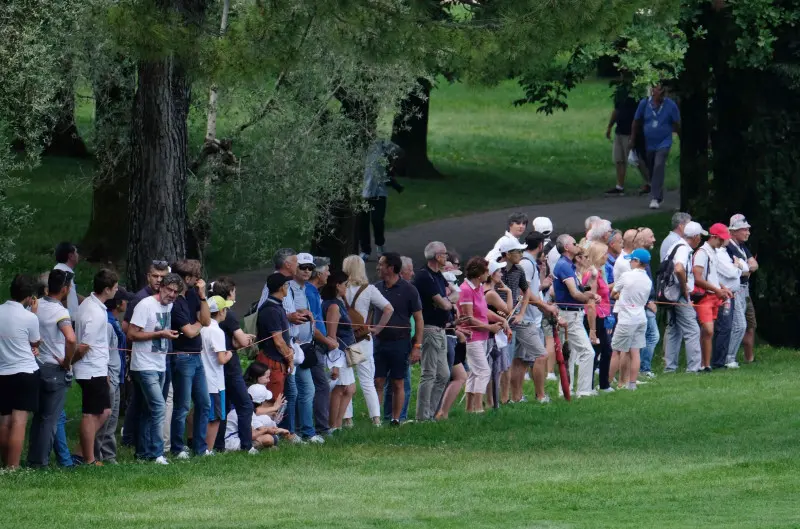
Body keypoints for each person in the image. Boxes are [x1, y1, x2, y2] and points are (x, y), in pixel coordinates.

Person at [127, 273, 182, 464]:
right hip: (143, 364)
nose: (172, 295)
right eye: (169, 290)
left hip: (160, 362)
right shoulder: (145, 305)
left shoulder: (170, 305)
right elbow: (132, 334)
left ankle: (142, 453)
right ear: (160, 287)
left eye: (176, 292)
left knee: (146, 410)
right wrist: (160, 333)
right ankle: (157, 453)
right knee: (159, 407)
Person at [26, 270, 76, 468]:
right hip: (54, 369)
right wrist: (67, 361)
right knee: (50, 419)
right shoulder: (60, 312)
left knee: (39, 417)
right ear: (65, 289)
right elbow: (71, 339)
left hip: (36, 365)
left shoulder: (36, 306)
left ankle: (33, 458)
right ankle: (40, 462)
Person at [121, 259, 169, 448]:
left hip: (161, 357)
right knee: (150, 404)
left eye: (162, 277)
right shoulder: (141, 299)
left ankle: (138, 443)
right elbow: (127, 328)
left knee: (145, 403)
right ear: (148, 276)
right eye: (155, 276)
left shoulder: (167, 298)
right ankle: (140, 443)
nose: (158, 280)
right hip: (142, 359)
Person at [341, 255, 394, 427]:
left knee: (346, 380)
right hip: (362, 339)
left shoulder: (340, 289)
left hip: (343, 339)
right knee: (367, 381)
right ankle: (376, 419)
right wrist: (377, 328)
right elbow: (388, 308)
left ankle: (347, 419)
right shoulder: (368, 289)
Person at [72, 269, 119, 466]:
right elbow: (84, 346)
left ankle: (81, 451)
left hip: (97, 368)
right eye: (115, 287)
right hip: (90, 369)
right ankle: (88, 458)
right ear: (107, 289)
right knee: (92, 414)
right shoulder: (94, 313)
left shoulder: (92, 305)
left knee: (104, 412)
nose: (117, 290)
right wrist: (70, 361)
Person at [287, 253, 334, 444]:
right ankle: (301, 431)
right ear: (294, 268)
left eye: (310, 268)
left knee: (305, 390)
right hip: (294, 346)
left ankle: (302, 430)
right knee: (304, 390)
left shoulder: (304, 288)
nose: (307, 271)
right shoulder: (288, 287)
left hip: (306, 347)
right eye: (303, 267)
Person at [374, 252, 423, 425]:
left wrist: (417, 345)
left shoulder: (409, 289)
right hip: (379, 342)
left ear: (391, 268)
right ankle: (377, 419)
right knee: (378, 380)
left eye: (381, 264)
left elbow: (418, 319)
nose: (378, 267)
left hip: (400, 342)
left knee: (398, 382)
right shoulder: (376, 288)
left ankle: (396, 418)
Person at [169, 259, 212, 458]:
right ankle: (177, 448)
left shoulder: (194, 295)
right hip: (182, 356)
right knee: (183, 405)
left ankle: (200, 447)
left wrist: (203, 297)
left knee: (203, 402)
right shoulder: (175, 302)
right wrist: (198, 324)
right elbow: (189, 332)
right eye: (196, 278)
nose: (199, 280)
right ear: (187, 278)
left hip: (196, 356)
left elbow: (206, 320)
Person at [551, 235, 602, 397]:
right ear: (566, 247)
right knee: (588, 352)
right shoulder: (564, 266)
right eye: (574, 244)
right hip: (569, 315)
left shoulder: (568, 265)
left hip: (571, 314)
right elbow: (574, 294)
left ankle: (565, 390)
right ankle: (584, 390)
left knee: (571, 355)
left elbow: (578, 290)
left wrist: (589, 290)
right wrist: (591, 297)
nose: (576, 245)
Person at [210, 278, 256, 454]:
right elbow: (242, 340)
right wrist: (247, 338)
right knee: (245, 405)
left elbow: (230, 342)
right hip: (230, 367)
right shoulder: (228, 314)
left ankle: (219, 445)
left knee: (223, 406)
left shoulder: (211, 315)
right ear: (228, 293)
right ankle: (247, 445)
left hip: (218, 367)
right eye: (234, 291)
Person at [0, 275, 42, 469]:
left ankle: (4, 461)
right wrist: (33, 312)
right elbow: (35, 341)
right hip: (25, 372)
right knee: (19, 421)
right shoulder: (29, 317)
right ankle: (13, 466)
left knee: (4, 420)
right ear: (28, 297)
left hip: (3, 372)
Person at [458, 257, 507, 413]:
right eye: (486, 271)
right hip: (472, 337)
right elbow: (469, 317)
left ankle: (469, 408)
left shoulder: (478, 288)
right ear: (479, 274)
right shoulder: (466, 289)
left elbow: (484, 311)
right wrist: (489, 327)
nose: (488, 274)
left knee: (475, 372)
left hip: (482, 336)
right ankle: (478, 407)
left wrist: (500, 319)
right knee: (484, 371)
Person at [513, 233, 558, 403]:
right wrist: (545, 306)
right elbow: (525, 291)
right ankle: (540, 395)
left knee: (521, 360)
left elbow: (530, 288)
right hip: (526, 318)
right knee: (541, 356)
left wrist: (542, 285)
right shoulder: (527, 263)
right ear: (540, 245)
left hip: (529, 317)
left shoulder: (529, 263)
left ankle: (517, 397)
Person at [94, 287, 135, 464]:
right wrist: (105, 373)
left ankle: (109, 454)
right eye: (125, 300)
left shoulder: (114, 322)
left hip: (116, 375)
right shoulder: (108, 323)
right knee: (104, 417)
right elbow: (103, 351)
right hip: (109, 374)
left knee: (112, 419)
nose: (127, 303)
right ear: (119, 303)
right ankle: (96, 454)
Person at [413, 241, 453, 421]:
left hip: (441, 329)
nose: (447, 257)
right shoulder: (424, 276)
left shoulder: (438, 275)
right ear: (437, 256)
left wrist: (447, 300)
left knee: (443, 374)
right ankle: (422, 416)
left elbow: (454, 293)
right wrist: (447, 301)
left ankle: (430, 412)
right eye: (445, 254)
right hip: (429, 329)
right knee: (429, 373)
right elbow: (444, 303)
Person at [630, 83, 681, 209]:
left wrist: (681, 137)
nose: (662, 92)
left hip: (664, 141)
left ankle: (654, 197)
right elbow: (636, 121)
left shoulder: (670, 105)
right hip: (649, 143)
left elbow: (677, 124)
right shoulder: (644, 104)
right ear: (653, 90)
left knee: (659, 164)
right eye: (659, 89)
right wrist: (632, 138)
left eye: (664, 89)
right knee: (652, 168)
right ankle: (659, 193)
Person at [663, 221, 705, 373]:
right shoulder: (683, 249)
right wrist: (684, 287)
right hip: (678, 294)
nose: (700, 239)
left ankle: (670, 367)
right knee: (693, 330)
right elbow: (679, 268)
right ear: (694, 237)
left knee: (674, 330)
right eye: (699, 236)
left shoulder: (675, 245)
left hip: (670, 294)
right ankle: (693, 368)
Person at [609, 249, 653, 390]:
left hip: (626, 319)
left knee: (616, 351)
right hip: (641, 318)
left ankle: (607, 383)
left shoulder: (626, 275)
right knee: (635, 352)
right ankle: (631, 384)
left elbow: (613, 293)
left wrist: (620, 297)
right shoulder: (648, 280)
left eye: (632, 260)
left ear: (637, 262)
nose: (630, 262)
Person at [692, 224, 733, 371]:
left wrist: (723, 287)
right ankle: (702, 363)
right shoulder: (702, 252)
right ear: (714, 237)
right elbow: (697, 278)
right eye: (722, 239)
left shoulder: (714, 252)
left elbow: (712, 276)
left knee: (708, 332)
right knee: (708, 330)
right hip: (704, 297)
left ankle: (706, 364)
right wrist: (716, 289)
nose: (724, 242)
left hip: (714, 295)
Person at [255, 273, 294, 422]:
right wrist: (290, 359)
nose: (287, 288)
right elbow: (278, 341)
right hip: (272, 362)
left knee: (281, 398)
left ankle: (278, 430)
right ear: (281, 288)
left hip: (278, 361)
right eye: (286, 285)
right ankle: (268, 432)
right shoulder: (271, 310)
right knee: (271, 399)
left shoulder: (278, 306)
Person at [321, 271, 356, 430]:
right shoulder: (333, 306)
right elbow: (332, 336)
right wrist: (335, 363)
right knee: (339, 388)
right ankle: (333, 425)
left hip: (345, 352)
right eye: (345, 285)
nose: (346, 288)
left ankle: (338, 424)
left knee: (349, 388)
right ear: (337, 285)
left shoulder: (338, 302)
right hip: (339, 353)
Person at [359, 139, 404, 261]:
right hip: (362, 193)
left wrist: (391, 163)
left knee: (377, 220)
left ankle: (380, 246)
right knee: (363, 223)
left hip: (379, 192)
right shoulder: (357, 145)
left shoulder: (380, 144)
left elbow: (398, 151)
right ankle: (365, 250)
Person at [200, 295, 234, 453]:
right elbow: (221, 359)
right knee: (215, 417)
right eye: (225, 308)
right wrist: (229, 354)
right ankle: (208, 449)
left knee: (204, 413)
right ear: (221, 311)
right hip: (215, 381)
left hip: (202, 378)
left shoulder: (202, 328)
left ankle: (200, 445)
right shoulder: (216, 331)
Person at [384, 256, 414, 421]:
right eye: (410, 270)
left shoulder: (409, 290)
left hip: (403, 339)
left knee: (397, 382)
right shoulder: (401, 289)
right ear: (402, 272)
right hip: (394, 340)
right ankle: (396, 416)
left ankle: (394, 415)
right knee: (401, 382)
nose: (413, 273)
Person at [580, 243, 613, 391]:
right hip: (595, 317)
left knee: (603, 350)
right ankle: (595, 385)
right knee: (599, 350)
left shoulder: (599, 273)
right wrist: (592, 329)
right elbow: (590, 302)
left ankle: (599, 384)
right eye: (604, 253)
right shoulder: (592, 275)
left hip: (602, 316)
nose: (607, 256)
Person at [727, 214, 758, 364]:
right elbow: (737, 271)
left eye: (748, 229)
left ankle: (749, 358)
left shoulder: (742, 247)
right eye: (744, 230)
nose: (748, 233)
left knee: (750, 324)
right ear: (733, 231)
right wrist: (745, 269)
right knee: (739, 325)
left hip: (745, 290)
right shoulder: (728, 248)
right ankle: (729, 357)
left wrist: (745, 268)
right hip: (735, 290)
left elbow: (753, 265)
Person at [605, 88, 648, 196]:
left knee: (636, 159)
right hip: (619, 131)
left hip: (631, 132)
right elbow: (616, 110)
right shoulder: (620, 92)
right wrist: (610, 126)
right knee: (619, 159)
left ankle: (650, 183)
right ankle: (619, 186)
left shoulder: (637, 94)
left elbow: (640, 115)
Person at [308, 257, 332, 436]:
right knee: (321, 386)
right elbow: (312, 323)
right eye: (327, 271)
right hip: (315, 345)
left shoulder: (315, 291)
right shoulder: (309, 291)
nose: (329, 274)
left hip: (319, 344)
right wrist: (327, 340)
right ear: (318, 273)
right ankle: (322, 428)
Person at [53, 241, 84, 321]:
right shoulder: (62, 273)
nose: (78, 255)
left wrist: (88, 300)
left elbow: (70, 293)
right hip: (66, 320)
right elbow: (61, 296)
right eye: (76, 252)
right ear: (71, 256)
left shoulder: (63, 270)